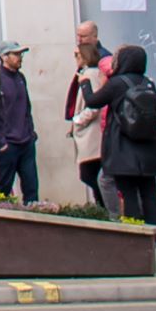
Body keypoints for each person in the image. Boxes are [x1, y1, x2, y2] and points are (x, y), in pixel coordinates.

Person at [96, 44, 156, 242]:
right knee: (149, 192)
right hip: (149, 145)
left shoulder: (117, 83)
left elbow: (94, 101)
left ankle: (135, 233)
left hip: (123, 145)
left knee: (128, 192)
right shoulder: (148, 83)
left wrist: (85, 83)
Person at [0, 42, 38, 202]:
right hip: (7, 144)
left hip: (26, 142)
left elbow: (26, 108)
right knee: (3, 189)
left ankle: (34, 221)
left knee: (31, 188)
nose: (20, 58)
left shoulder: (20, 78)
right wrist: (0, 142)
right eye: (16, 54)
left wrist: (31, 133)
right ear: (4, 57)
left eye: (21, 54)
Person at [63, 21, 108, 211]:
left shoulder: (94, 71)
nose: (79, 40)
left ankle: (105, 209)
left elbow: (94, 103)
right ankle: (103, 208)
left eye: (83, 36)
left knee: (92, 174)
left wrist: (77, 120)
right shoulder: (84, 72)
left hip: (94, 133)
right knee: (90, 174)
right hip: (88, 131)